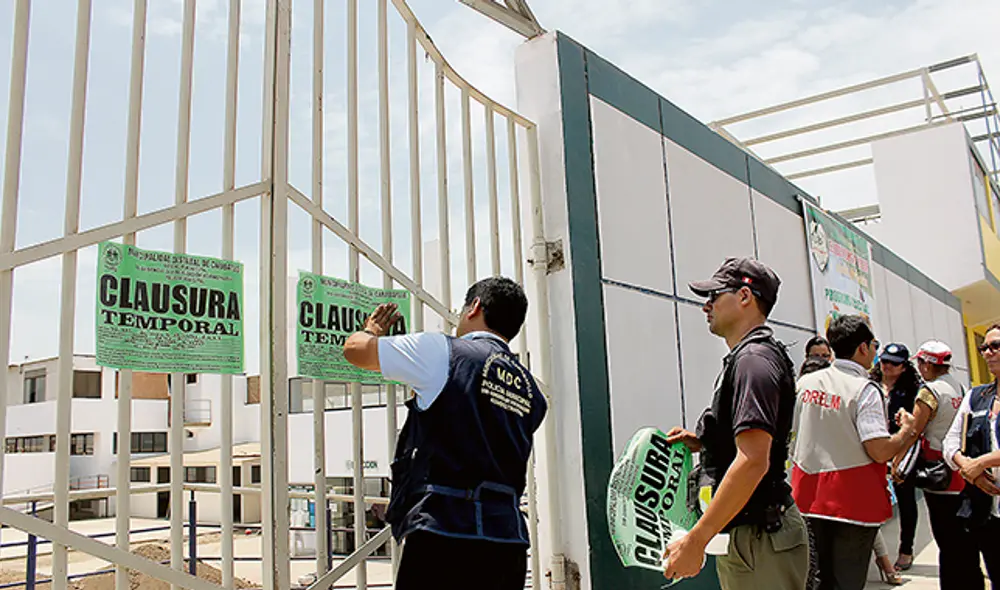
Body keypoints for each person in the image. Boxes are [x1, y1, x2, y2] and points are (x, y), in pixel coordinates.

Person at [342, 277, 547, 590]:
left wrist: (371, 330)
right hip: (507, 540)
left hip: (446, 533)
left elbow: (356, 350)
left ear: (474, 307)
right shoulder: (533, 393)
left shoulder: (444, 352)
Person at [662, 257, 809, 589]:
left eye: (714, 295)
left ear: (745, 297)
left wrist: (696, 540)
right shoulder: (750, 357)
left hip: (760, 539)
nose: (706, 306)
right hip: (752, 537)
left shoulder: (753, 362)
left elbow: (753, 461)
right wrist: (703, 442)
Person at [792, 315, 917, 590]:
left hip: (807, 499)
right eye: (874, 345)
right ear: (863, 348)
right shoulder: (865, 389)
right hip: (852, 505)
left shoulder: (804, 384)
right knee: (846, 582)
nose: (876, 352)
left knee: (815, 580)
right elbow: (879, 450)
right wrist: (907, 432)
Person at [890, 341, 965, 588]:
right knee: (960, 537)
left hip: (936, 473)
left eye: (920, 362)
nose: (919, 368)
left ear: (927, 364)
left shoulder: (929, 392)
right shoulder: (959, 388)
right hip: (958, 469)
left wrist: (897, 462)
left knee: (946, 538)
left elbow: (913, 432)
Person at [941, 325, 1000, 589]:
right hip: (986, 512)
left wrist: (981, 463)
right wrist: (968, 470)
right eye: (984, 347)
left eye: (995, 346)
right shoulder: (977, 396)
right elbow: (950, 442)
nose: (988, 352)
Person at [870, 342, 923, 572]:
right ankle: (878, 556)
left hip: (902, 448)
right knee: (870, 500)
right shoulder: (869, 384)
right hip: (874, 448)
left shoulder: (913, 390)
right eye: (884, 361)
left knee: (906, 499)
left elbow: (915, 428)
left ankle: (906, 549)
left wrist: (900, 457)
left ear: (904, 366)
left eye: (894, 363)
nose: (888, 366)